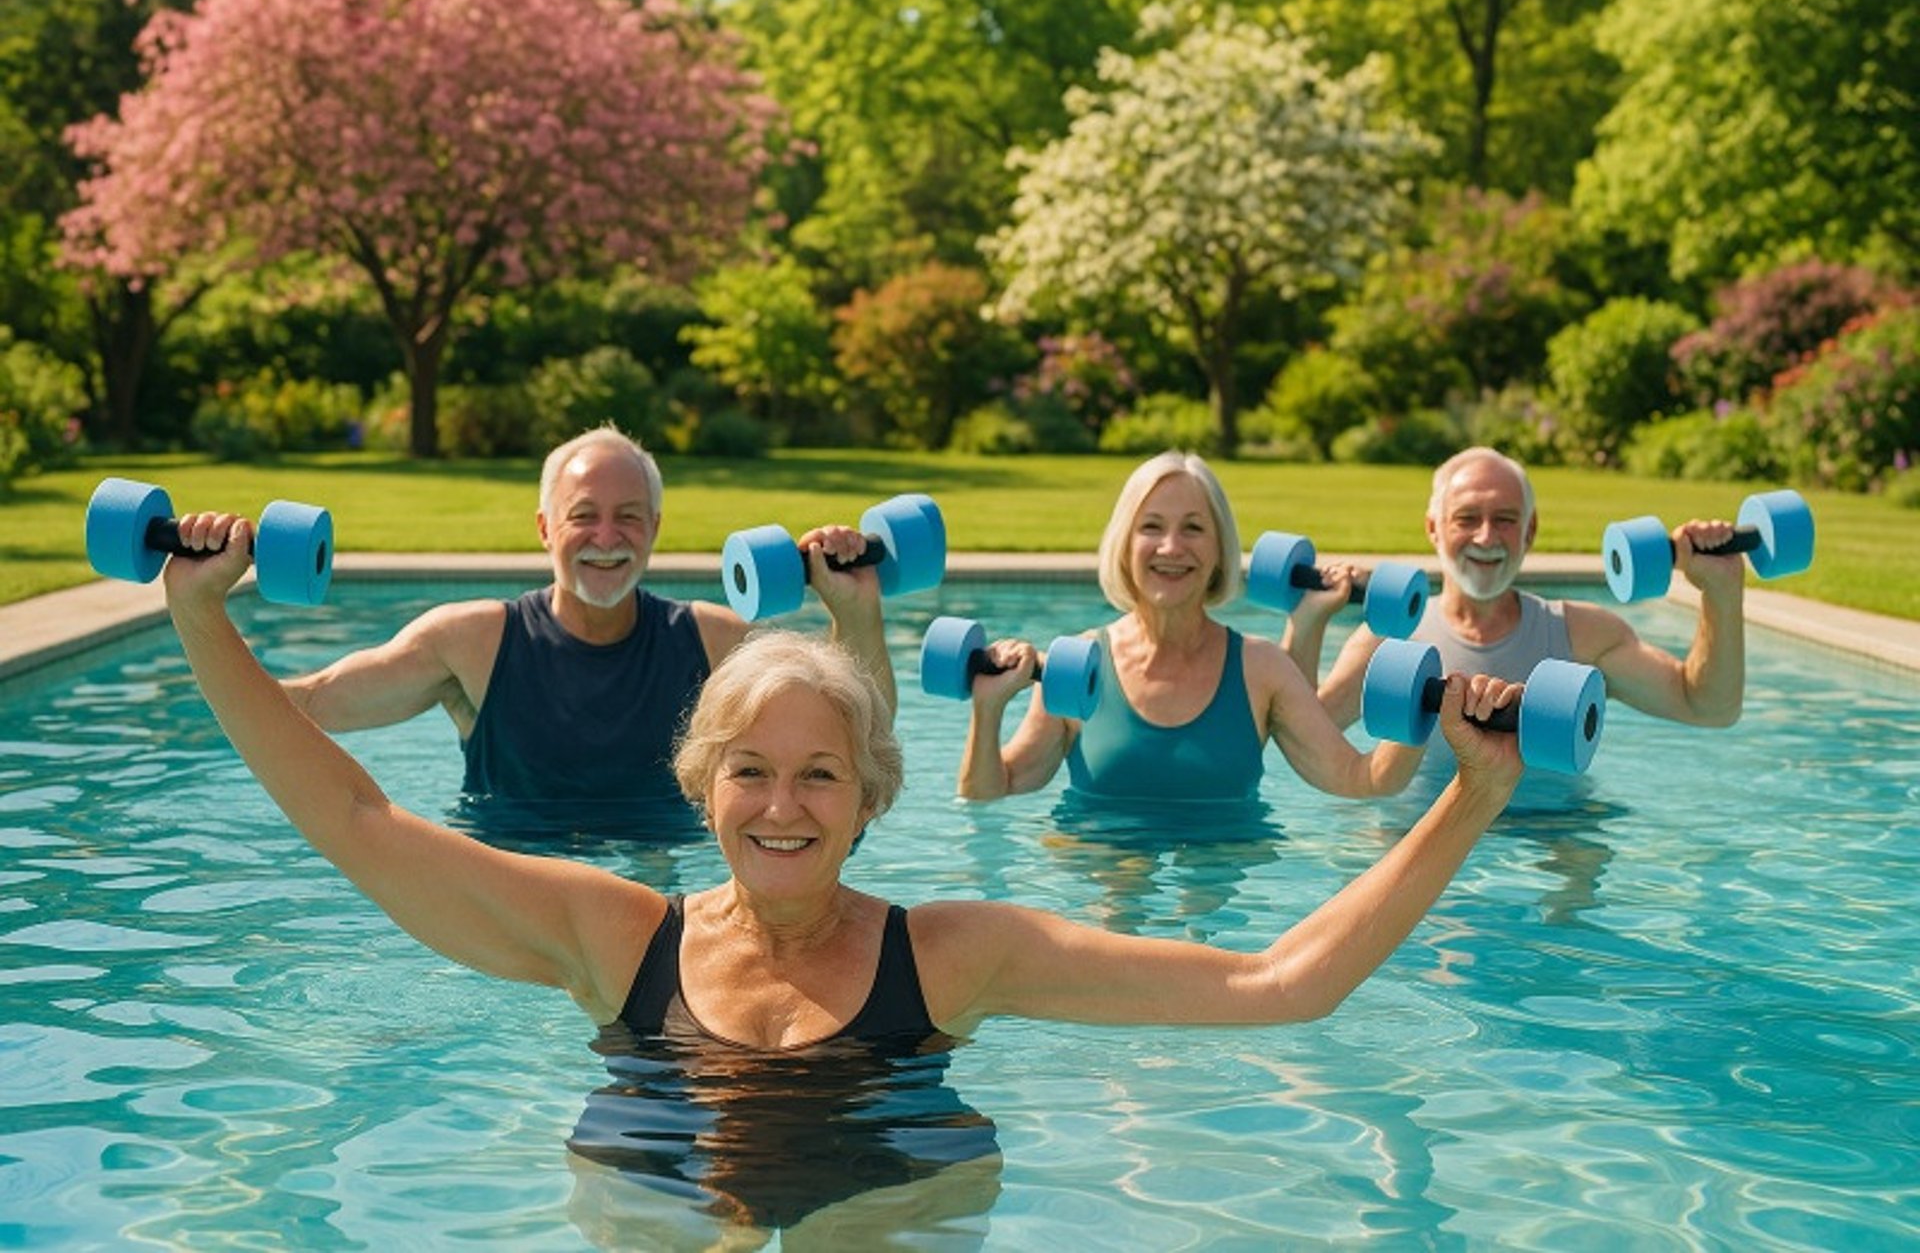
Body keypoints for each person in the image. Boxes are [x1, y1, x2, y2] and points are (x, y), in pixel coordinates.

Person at [161, 510, 1523, 1231]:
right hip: (659, 1168)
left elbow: (1285, 982)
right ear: (700, 785)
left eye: (820, 772)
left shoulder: (953, 952)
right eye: (749, 767)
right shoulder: (607, 929)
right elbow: (354, 817)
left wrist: (1474, 794)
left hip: (894, 1178)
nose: (781, 802)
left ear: (869, 796)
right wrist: (193, 616)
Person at [279, 424, 896, 814]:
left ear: (654, 529)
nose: (607, 538)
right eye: (583, 516)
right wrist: (201, 612)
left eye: (629, 516)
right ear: (546, 528)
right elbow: (316, 703)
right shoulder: (471, 643)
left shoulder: (717, 643)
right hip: (515, 897)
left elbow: (860, 736)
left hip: (662, 905)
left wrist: (856, 611)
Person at [955, 450, 1422, 803]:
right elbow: (989, 792)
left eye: (1194, 529)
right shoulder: (1076, 663)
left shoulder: (1263, 668)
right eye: (1152, 527)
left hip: (1220, 888)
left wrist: (1419, 709)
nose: (1171, 547)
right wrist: (988, 708)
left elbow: (1362, 780)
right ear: (1123, 546)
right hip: (1103, 878)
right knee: (1119, 890)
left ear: (1220, 551)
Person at [1313, 446, 1746, 737]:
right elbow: (1304, 730)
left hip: (1549, 842)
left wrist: (1721, 593)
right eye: (1466, 518)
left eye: (1504, 519)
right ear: (1433, 528)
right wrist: (1309, 618)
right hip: (1416, 847)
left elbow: (1708, 708)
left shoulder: (1585, 635)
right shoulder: (1387, 637)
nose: (1486, 538)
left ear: (1530, 530)